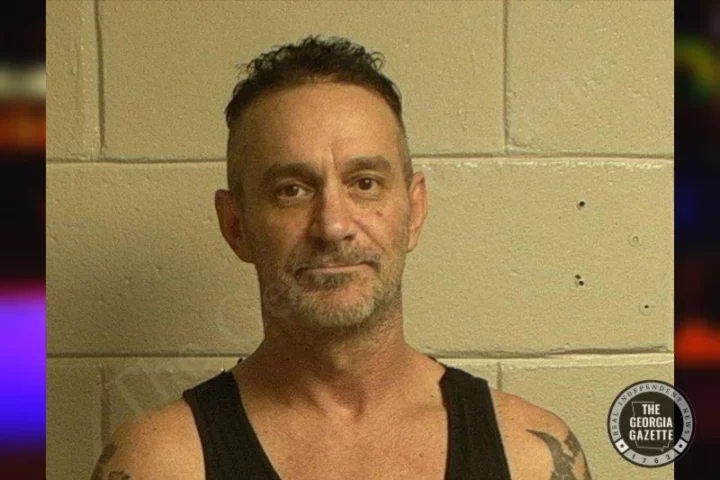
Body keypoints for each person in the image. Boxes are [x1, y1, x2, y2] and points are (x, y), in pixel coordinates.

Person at [91, 36, 592, 480]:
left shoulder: (529, 455)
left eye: (365, 183)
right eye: (291, 190)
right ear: (236, 226)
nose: (333, 225)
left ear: (414, 210)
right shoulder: (161, 463)